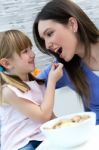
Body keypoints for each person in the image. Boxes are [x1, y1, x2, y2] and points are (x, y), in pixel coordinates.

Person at [33, 0, 99, 124]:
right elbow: (24, 88)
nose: (47, 45)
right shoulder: (62, 69)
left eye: (50, 33)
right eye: (44, 39)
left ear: (72, 24)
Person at [0, 29, 63, 150]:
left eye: (30, 49)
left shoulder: (36, 84)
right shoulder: (9, 91)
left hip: (41, 138)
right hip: (22, 144)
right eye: (25, 51)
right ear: (7, 63)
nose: (32, 54)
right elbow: (43, 116)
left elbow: (50, 116)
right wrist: (52, 81)